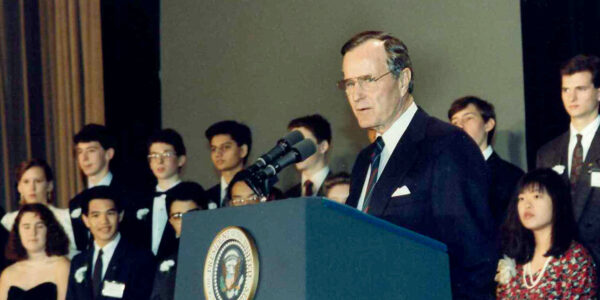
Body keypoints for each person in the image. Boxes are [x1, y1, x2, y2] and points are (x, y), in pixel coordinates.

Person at [340, 30, 496, 298]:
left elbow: (474, 263)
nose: (356, 95)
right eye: (349, 84)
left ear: (403, 80)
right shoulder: (365, 160)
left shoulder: (448, 146)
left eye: (367, 80)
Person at [536, 54, 600, 278]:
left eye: (581, 89)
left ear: (598, 92)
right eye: (566, 89)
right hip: (561, 269)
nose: (571, 97)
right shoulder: (547, 153)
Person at [496, 169, 597, 298]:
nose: (527, 204)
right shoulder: (516, 256)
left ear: (556, 201)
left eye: (536, 196)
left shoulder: (576, 260)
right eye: (521, 198)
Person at [66, 186, 156, 300]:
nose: (104, 221)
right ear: (86, 220)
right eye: (96, 215)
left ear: (120, 216)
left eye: (110, 213)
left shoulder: (141, 258)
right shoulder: (78, 262)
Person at [448, 96, 524, 227]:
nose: (460, 126)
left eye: (468, 118)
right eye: (455, 122)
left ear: (488, 124)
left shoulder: (512, 176)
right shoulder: (446, 176)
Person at [70, 124, 133, 251]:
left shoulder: (128, 194)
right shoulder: (76, 202)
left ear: (108, 154)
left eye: (91, 151)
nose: (84, 158)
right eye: (80, 152)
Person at [129, 129, 187, 260]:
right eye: (154, 156)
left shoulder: (189, 197)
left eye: (166, 155)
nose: (159, 161)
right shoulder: (140, 200)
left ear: (181, 160)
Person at [1, 159, 77, 258]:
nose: (32, 187)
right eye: (26, 182)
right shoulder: (8, 221)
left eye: (38, 181)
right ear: (19, 187)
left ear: (49, 186)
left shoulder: (66, 218)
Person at [0, 204, 70, 300]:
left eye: (39, 226)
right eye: (26, 227)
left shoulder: (62, 266)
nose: (33, 233)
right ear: (18, 232)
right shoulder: (8, 274)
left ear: (49, 230)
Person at [150, 182, 206, 300]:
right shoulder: (167, 258)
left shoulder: (219, 249)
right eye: (177, 216)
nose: (185, 221)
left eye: (192, 214)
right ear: (171, 221)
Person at [204, 120, 252, 208]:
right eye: (214, 149)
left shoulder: (262, 192)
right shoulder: (205, 198)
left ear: (243, 150)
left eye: (226, 147)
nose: (218, 154)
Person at [283, 114, 332, 198]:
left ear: (323, 146)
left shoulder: (341, 189)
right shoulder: (287, 196)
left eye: (303, 143)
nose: (295, 149)